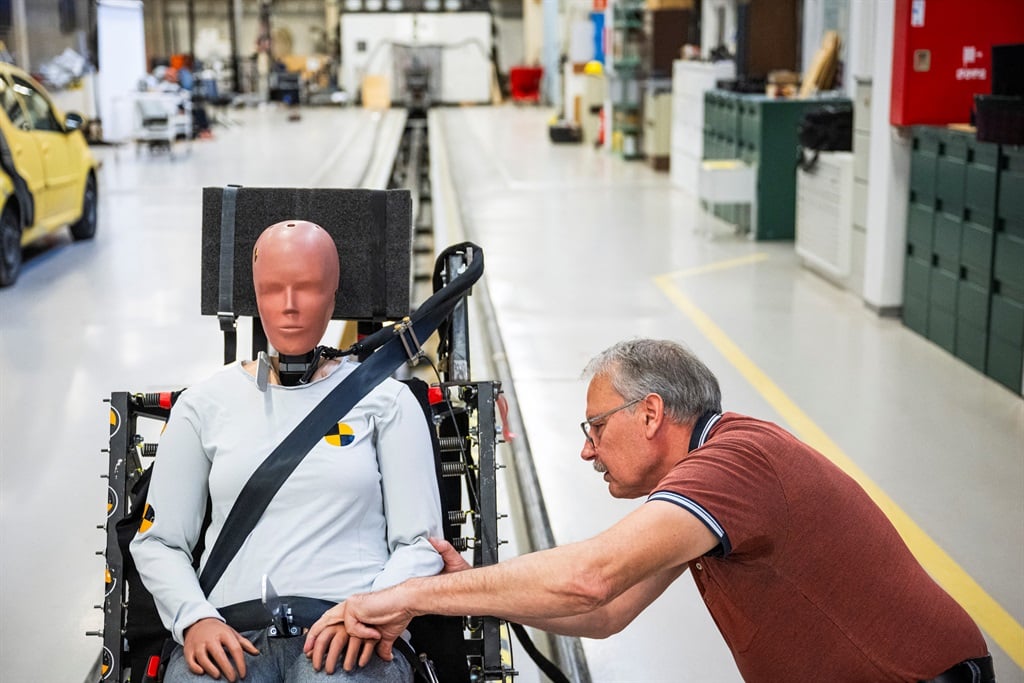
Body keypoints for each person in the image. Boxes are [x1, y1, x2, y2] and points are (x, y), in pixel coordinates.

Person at [305, 338, 994, 682]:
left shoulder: (736, 464)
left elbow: (592, 577)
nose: (588, 451)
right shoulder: (706, 479)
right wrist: (466, 599)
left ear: (653, 413)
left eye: (595, 429)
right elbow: (606, 614)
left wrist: (415, 593)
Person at [131, 220, 443, 683]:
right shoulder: (204, 403)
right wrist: (193, 618)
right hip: (229, 633)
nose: (290, 306)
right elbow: (159, 541)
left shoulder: (386, 401)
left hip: (349, 629)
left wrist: (371, 612)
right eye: (273, 289)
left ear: (334, 293)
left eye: (309, 287)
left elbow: (420, 542)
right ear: (255, 295)